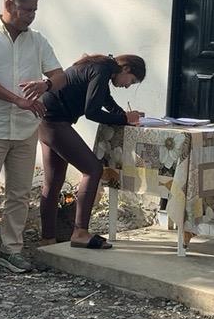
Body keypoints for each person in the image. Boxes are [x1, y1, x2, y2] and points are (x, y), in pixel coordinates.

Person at [0, 0, 65, 277]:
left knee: (19, 193)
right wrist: (17, 99)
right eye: (27, 10)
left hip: (24, 128)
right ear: (9, 5)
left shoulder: (37, 40)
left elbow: (59, 75)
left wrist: (45, 84)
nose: (32, 15)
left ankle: (12, 251)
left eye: (35, 10)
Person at [36, 54, 144, 249]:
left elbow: (105, 99)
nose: (128, 86)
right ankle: (80, 233)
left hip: (47, 118)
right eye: (132, 81)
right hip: (54, 121)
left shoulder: (101, 67)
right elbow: (92, 111)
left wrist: (125, 116)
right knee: (93, 169)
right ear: (126, 69)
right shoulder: (101, 70)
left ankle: (47, 238)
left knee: (54, 181)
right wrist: (124, 119)